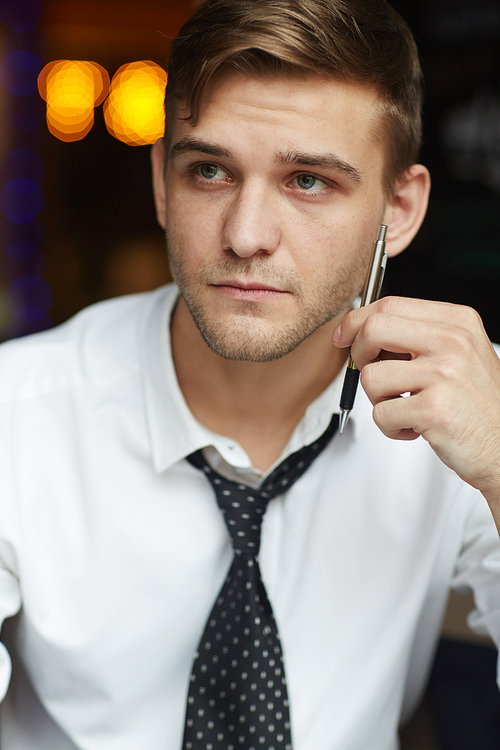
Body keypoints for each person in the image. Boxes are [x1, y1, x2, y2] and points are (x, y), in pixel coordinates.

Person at [1, 0, 500, 748]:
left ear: (398, 210)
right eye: (209, 170)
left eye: (308, 182)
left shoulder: (467, 400)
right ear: (163, 186)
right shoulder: (19, 414)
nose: (245, 235)